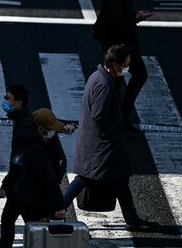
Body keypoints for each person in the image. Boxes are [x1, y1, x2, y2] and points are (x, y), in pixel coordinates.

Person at [62, 45, 155, 231]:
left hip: (98, 142)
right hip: (101, 144)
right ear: (114, 64)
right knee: (86, 178)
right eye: (125, 65)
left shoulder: (98, 77)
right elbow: (100, 116)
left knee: (119, 179)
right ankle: (56, 208)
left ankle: (132, 219)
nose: (127, 68)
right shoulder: (104, 85)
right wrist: (114, 136)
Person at [0, 99, 72, 248]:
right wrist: (59, 206)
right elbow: (48, 179)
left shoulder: (34, 137)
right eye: (51, 128)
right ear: (41, 129)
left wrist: (6, 186)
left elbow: (17, 165)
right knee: (36, 235)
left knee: (28, 232)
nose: (54, 131)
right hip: (31, 196)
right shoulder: (36, 148)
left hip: (22, 192)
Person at [92, 0, 151, 133]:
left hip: (120, 43)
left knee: (116, 80)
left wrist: (134, 15)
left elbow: (119, 14)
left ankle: (114, 116)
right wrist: (132, 21)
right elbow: (115, 19)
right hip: (121, 45)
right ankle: (119, 116)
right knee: (138, 74)